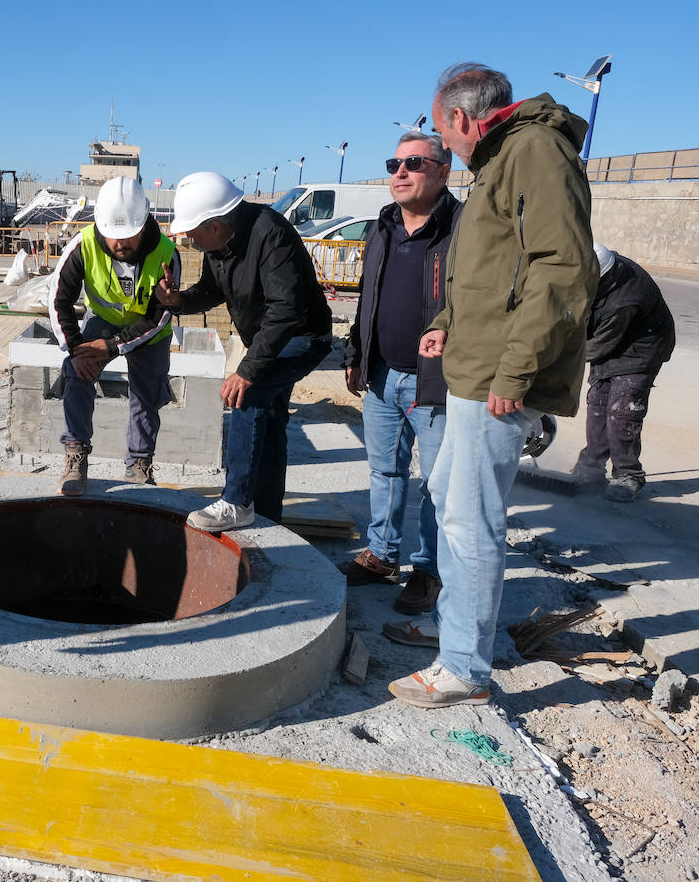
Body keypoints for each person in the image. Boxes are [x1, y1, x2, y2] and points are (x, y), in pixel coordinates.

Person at [386, 63, 596, 708]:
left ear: (463, 119)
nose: (443, 144)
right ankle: (451, 631)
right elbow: (490, 274)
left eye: (442, 131)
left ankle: (465, 668)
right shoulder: (503, 161)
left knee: (472, 520)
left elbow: (563, 269)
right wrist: (447, 323)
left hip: (500, 377)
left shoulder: (534, 153)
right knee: (449, 498)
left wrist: (517, 370)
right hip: (475, 366)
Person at [156, 172, 333, 530]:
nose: (191, 240)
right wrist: (178, 301)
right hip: (271, 339)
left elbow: (286, 312)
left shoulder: (271, 233)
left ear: (216, 225)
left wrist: (248, 371)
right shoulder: (220, 245)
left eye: (194, 233)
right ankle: (268, 513)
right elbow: (210, 290)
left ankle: (236, 501)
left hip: (303, 336)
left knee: (247, 395)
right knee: (269, 421)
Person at [340, 133, 462, 616]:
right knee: (385, 471)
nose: (400, 172)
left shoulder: (463, 229)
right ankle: (381, 555)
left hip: (434, 381)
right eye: (395, 163)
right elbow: (366, 297)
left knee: (437, 484)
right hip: (382, 375)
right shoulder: (383, 227)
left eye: (414, 163)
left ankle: (428, 570)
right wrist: (356, 353)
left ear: (444, 171)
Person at [49, 176, 178, 493]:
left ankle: (139, 465)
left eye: (129, 234)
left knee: (147, 395)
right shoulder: (83, 245)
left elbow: (159, 317)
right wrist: (75, 349)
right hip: (103, 320)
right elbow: (58, 300)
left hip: (149, 333)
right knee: (75, 374)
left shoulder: (166, 252)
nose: (121, 243)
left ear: (144, 222)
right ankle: (75, 455)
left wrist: (112, 347)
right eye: (113, 235)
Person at [573, 243, 675, 502]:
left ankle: (628, 475)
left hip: (643, 348)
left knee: (622, 411)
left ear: (601, 278)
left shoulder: (624, 300)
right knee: (597, 405)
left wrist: (560, 361)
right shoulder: (600, 268)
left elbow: (598, 346)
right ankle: (591, 468)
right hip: (614, 338)